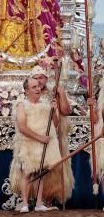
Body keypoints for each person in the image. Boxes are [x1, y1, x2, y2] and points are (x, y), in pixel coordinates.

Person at [9, 77, 62, 213]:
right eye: (34, 87)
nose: (38, 89)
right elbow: (22, 127)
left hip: (43, 143)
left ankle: (39, 203)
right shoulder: (22, 104)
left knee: (41, 172)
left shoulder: (45, 105)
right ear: (27, 91)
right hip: (28, 142)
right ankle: (25, 203)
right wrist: (39, 138)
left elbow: (55, 123)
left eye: (38, 86)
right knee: (26, 172)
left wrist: (54, 110)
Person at [31, 65, 74, 205]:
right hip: (36, 133)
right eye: (36, 78)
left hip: (54, 134)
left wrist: (61, 92)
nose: (39, 81)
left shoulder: (54, 91)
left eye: (41, 78)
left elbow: (66, 111)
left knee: (53, 167)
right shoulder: (30, 92)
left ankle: (49, 199)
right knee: (35, 166)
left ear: (46, 79)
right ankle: (35, 199)